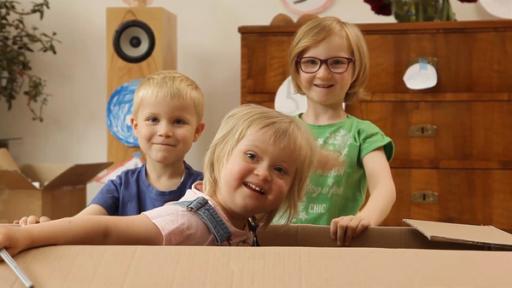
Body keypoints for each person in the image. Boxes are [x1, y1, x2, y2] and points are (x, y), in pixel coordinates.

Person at [0, 104, 317, 255]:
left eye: (281, 170)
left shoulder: (242, 221)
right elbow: (106, 230)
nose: (263, 172)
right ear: (220, 156)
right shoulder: (188, 221)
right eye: (251, 156)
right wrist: (30, 237)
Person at [15, 70, 205, 225]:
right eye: (153, 119)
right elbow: (79, 226)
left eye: (178, 121)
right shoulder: (121, 185)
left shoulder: (205, 188)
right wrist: (44, 229)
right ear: (135, 127)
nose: (164, 131)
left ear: (197, 131)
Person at [284, 16, 396, 245]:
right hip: (278, 242)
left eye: (336, 63)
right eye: (311, 62)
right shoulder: (281, 130)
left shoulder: (364, 133)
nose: (323, 74)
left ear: (355, 68)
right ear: (297, 68)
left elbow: (384, 188)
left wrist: (363, 219)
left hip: (338, 245)